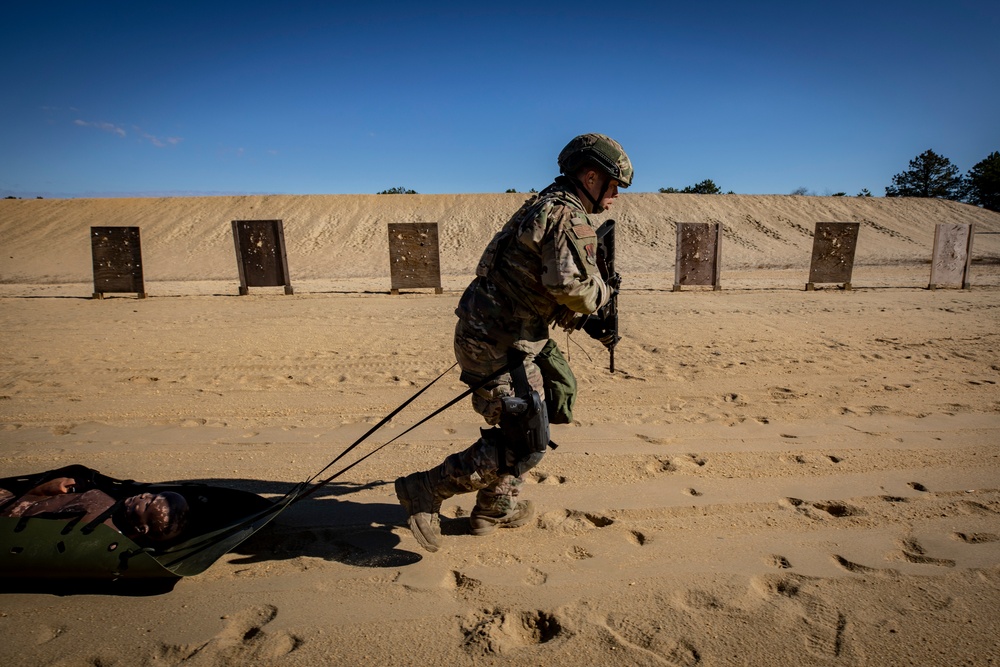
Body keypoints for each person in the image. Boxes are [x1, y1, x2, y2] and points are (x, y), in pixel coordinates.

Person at [395, 133, 633, 552]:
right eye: (613, 184)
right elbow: (570, 286)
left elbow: (533, 284)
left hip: (509, 333)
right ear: (591, 176)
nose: (615, 195)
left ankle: (495, 504)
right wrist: (603, 296)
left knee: (551, 403)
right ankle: (426, 489)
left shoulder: (546, 205)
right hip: (498, 341)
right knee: (526, 435)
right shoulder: (568, 216)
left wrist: (588, 324)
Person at [0, 475, 189, 544]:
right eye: (151, 495)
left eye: (147, 503)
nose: (143, 495)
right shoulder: (112, 544)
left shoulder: (96, 500)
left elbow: (32, 499)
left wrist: (52, 487)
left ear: (142, 529)